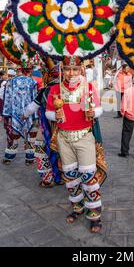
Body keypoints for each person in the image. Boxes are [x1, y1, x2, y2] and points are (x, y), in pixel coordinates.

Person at [46, 56, 106, 234]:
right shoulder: (55, 89)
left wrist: (94, 112)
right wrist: (55, 116)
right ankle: (77, 207)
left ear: (81, 70)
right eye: (67, 69)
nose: (71, 73)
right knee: (71, 176)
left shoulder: (88, 88)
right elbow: (49, 112)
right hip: (64, 138)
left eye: (74, 69)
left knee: (88, 176)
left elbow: (99, 108)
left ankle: (94, 213)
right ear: (63, 70)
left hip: (84, 137)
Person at [24, 65, 63, 187]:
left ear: (48, 75)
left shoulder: (45, 90)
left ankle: (47, 178)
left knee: (40, 148)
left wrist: (24, 115)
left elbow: (32, 107)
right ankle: (63, 177)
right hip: (67, 127)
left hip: (48, 127)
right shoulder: (67, 89)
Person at [0, 66, 38, 165]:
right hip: (29, 113)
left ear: (18, 71)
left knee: (13, 135)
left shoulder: (10, 82)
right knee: (30, 136)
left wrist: (5, 114)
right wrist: (35, 114)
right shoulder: (32, 81)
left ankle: (9, 157)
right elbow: (35, 99)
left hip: (14, 114)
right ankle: (29, 159)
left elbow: (7, 99)